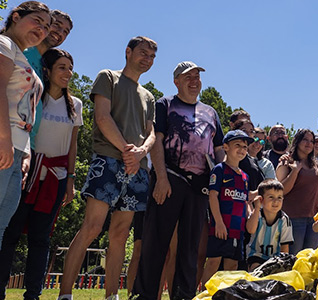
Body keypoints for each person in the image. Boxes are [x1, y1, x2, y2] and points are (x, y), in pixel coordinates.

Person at [58, 36, 157, 300]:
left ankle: (111, 295)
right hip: (108, 161)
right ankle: (65, 294)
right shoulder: (108, 78)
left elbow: (151, 134)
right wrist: (128, 151)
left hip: (138, 169)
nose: (147, 59)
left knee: (121, 234)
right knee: (91, 228)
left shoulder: (149, 96)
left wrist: (141, 153)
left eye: (152, 56)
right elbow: (102, 117)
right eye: (143, 53)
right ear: (128, 52)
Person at [133, 61, 224, 300]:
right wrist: (161, 178)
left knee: (190, 248)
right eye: (188, 77)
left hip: (199, 185)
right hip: (170, 178)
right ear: (176, 82)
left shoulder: (211, 112)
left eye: (197, 76)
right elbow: (157, 140)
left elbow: (219, 149)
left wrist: (218, 178)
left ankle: (183, 295)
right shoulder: (165, 104)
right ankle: (145, 295)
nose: (194, 81)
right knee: (155, 242)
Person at [0, 48, 81, 300]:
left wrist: (70, 180)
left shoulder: (75, 105)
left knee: (41, 237)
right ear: (47, 70)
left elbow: (73, 145)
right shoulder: (35, 97)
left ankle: (33, 294)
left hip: (55, 179)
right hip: (27, 171)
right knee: (11, 233)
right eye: (61, 67)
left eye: (70, 68)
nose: (67, 73)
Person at [0, 1, 50, 248]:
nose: (42, 29)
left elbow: (25, 111)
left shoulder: (23, 57)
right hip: (3, 143)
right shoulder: (4, 44)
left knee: (1, 224)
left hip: (17, 150)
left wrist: (26, 152)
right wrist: (4, 139)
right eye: (37, 21)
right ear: (16, 17)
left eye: (46, 27)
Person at [201, 130, 255, 288]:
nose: (242, 149)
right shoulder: (219, 170)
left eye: (245, 146)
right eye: (237, 145)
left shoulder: (245, 176)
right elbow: (212, 196)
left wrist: (252, 214)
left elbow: (245, 201)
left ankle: (226, 294)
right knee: (213, 262)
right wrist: (218, 222)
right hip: (221, 227)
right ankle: (205, 294)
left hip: (238, 229)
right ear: (225, 147)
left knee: (232, 266)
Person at [24, 9, 72, 151]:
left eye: (66, 32)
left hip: (29, 145)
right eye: (57, 25)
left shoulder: (46, 67)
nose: (60, 33)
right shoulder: (20, 50)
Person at [276, 129, 318, 254]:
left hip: (313, 218)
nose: (309, 143)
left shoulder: (315, 163)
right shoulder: (287, 160)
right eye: (305, 140)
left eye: (311, 141)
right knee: (293, 258)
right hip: (294, 218)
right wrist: (295, 171)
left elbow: (314, 188)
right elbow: (281, 191)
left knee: (310, 259)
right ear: (297, 141)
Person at [245, 179, 293, 271]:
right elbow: (250, 229)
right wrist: (257, 207)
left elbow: (285, 247)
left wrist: (283, 264)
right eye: (271, 197)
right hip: (256, 255)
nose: (276, 201)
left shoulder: (284, 220)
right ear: (261, 199)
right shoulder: (256, 214)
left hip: (276, 258)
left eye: (279, 197)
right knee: (257, 271)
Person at [232, 118, 265, 190]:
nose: (248, 134)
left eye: (251, 131)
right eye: (244, 130)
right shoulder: (228, 157)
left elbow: (263, 186)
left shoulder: (253, 160)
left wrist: (254, 194)